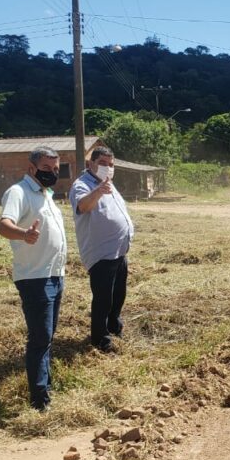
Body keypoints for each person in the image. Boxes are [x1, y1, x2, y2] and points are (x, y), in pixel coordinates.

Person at [0, 146, 67, 411]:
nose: (52, 173)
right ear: (31, 168)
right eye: (46, 168)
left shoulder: (46, 194)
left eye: (56, 168)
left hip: (54, 275)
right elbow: (4, 226)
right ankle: (39, 400)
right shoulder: (19, 192)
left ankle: (45, 386)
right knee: (40, 337)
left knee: (47, 336)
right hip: (35, 277)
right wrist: (24, 234)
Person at [69, 146, 134, 353]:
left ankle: (114, 328)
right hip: (101, 254)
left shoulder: (109, 184)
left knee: (118, 296)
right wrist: (98, 191)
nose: (107, 168)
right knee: (103, 299)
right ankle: (100, 340)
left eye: (111, 164)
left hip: (119, 251)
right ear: (91, 164)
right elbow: (83, 207)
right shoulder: (82, 185)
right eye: (103, 163)